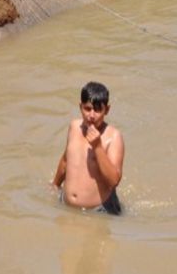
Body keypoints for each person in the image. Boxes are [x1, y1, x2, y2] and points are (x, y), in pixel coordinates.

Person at [51, 81, 125, 215]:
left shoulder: (113, 137)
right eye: (87, 108)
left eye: (97, 110)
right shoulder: (74, 127)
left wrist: (97, 147)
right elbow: (66, 160)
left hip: (98, 211)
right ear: (80, 107)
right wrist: (55, 185)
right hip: (65, 205)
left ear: (106, 110)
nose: (91, 115)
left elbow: (114, 180)